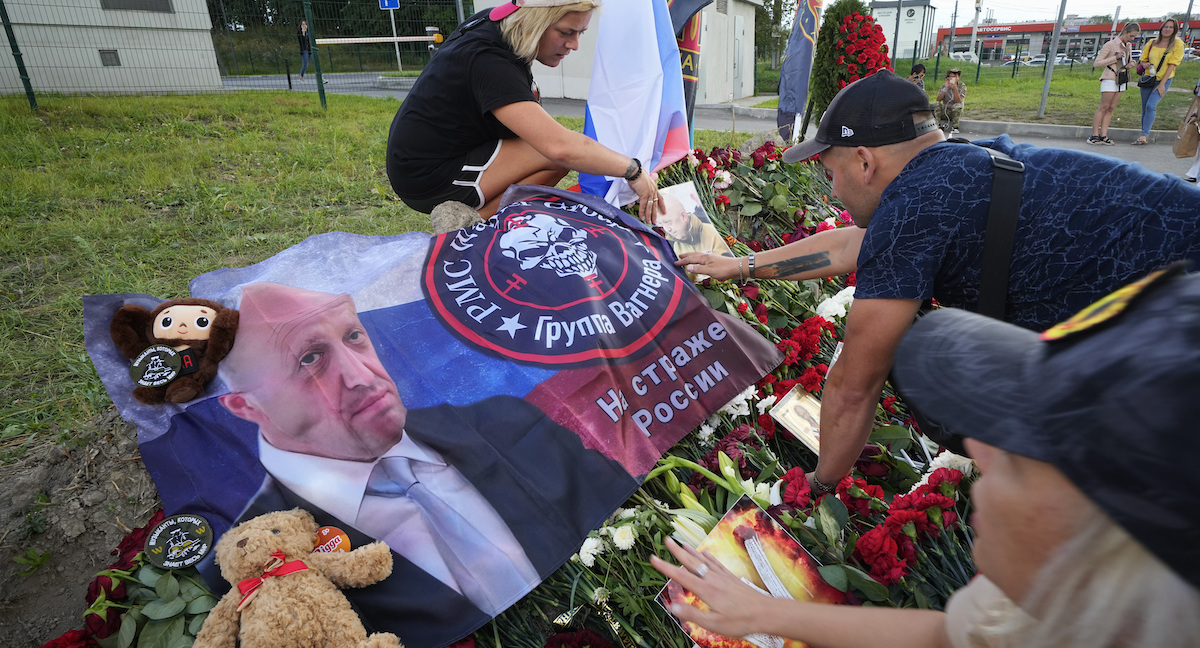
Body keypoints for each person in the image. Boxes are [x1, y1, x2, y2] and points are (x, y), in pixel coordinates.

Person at [674, 70, 1200, 493]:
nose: (830, 189)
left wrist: (819, 485)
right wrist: (742, 267)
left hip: (1179, 330)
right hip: (1168, 292)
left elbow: (856, 383)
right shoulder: (954, 167)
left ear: (863, 161)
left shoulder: (915, 208)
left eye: (830, 172)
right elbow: (851, 244)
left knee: (924, 351)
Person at [652, 266, 1200, 648]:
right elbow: (950, 636)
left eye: (1026, 451)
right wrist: (767, 612)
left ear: (1116, 542)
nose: (977, 449)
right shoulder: (1062, 608)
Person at [211, 282, 638, 648]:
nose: (362, 376)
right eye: (310, 360)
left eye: (355, 336)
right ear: (244, 405)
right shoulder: (247, 560)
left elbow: (630, 518)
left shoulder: (507, 423)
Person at [385, 0, 663, 221]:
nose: (574, 45)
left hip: (423, 158)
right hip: (425, 176)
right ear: (535, 21)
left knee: (552, 149)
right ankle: (470, 224)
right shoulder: (489, 61)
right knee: (554, 155)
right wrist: (633, 171)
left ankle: (481, 218)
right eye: (566, 32)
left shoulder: (497, 23)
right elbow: (560, 147)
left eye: (580, 33)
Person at [1133, 18, 1185, 145]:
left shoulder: (1177, 44)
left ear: (1175, 30)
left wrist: (1162, 84)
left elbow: (1173, 64)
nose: (1167, 29)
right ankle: (1143, 135)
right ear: (1161, 28)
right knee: (1145, 107)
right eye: (1165, 27)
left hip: (1163, 79)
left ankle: (1145, 135)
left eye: (1171, 27)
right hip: (1148, 79)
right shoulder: (1152, 42)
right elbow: (1143, 59)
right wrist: (1145, 64)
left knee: (1151, 105)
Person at [1089, 22, 1140, 145]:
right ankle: (1094, 135)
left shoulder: (1128, 45)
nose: (1132, 39)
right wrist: (1114, 58)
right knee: (1104, 107)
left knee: (1111, 108)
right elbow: (1097, 63)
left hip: (1122, 78)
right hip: (1110, 78)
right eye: (1131, 36)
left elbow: (1129, 59)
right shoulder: (1111, 44)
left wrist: (1131, 63)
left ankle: (1104, 135)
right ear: (1125, 32)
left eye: (1134, 37)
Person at [658, 192, 729, 257]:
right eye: (661, 224)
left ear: (683, 216)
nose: (667, 230)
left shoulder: (711, 233)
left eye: (668, 222)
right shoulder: (676, 246)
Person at [934, 68, 965, 134]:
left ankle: (955, 127)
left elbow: (958, 101)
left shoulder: (962, 86)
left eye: (954, 77)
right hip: (945, 110)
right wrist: (946, 88)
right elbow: (938, 100)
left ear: (958, 77)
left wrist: (955, 89)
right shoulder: (944, 86)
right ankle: (938, 125)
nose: (951, 79)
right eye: (950, 77)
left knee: (957, 106)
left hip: (955, 112)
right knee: (935, 104)